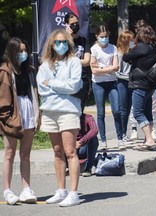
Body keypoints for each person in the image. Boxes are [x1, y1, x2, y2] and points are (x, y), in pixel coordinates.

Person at [36, 28, 83, 207]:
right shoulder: (46, 63)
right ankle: (61, 190)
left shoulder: (74, 62)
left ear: (69, 43)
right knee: (57, 151)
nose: (61, 45)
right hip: (49, 111)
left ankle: (73, 193)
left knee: (70, 151)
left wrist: (53, 84)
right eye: (57, 42)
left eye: (64, 42)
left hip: (68, 110)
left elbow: (73, 86)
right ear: (51, 44)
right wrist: (59, 87)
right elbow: (42, 87)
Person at [1, 35, 40, 205]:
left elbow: (35, 94)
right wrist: (6, 119)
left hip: (28, 111)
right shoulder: (5, 71)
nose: (23, 54)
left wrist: (38, 115)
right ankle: (7, 190)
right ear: (12, 52)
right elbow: (3, 99)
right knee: (9, 153)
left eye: (25, 51)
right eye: (19, 51)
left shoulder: (30, 70)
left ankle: (26, 188)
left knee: (25, 154)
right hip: (12, 114)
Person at [123, 24, 156, 151]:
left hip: (139, 83)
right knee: (147, 112)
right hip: (151, 84)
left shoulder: (141, 47)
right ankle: (148, 140)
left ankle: (149, 140)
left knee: (138, 112)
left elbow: (125, 57)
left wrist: (132, 52)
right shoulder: (155, 48)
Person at [90, 25, 125, 151]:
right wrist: (108, 69)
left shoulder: (113, 48)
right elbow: (94, 70)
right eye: (101, 37)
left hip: (112, 82)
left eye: (106, 37)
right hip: (98, 83)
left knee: (117, 111)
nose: (104, 39)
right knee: (100, 113)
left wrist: (102, 69)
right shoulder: (94, 49)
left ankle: (120, 138)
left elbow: (116, 67)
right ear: (97, 37)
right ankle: (103, 140)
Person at [64, 12, 91, 106]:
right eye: (72, 24)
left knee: (80, 111)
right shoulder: (63, 41)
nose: (75, 26)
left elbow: (87, 61)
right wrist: (69, 38)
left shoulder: (84, 40)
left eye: (77, 23)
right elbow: (63, 59)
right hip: (68, 80)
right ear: (67, 25)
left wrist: (72, 61)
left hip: (82, 80)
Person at [116, 30, 135, 143]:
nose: (133, 42)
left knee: (128, 109)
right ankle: (121, 134)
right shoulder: (118, 53)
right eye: (131, 40)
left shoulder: (133, 53)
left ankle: (124, 132)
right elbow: (117, 70)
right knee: (122, 109)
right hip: (121, 82)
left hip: (131, 81)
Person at [75, 103, 99, 177]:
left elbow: (95, 130)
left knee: (94, 139)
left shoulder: (87, 117)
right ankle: (68, 167)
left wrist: (81, 142)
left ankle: (88, 168)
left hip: (82, 148)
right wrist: (72, 142)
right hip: (70, 147)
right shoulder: (66, 119)